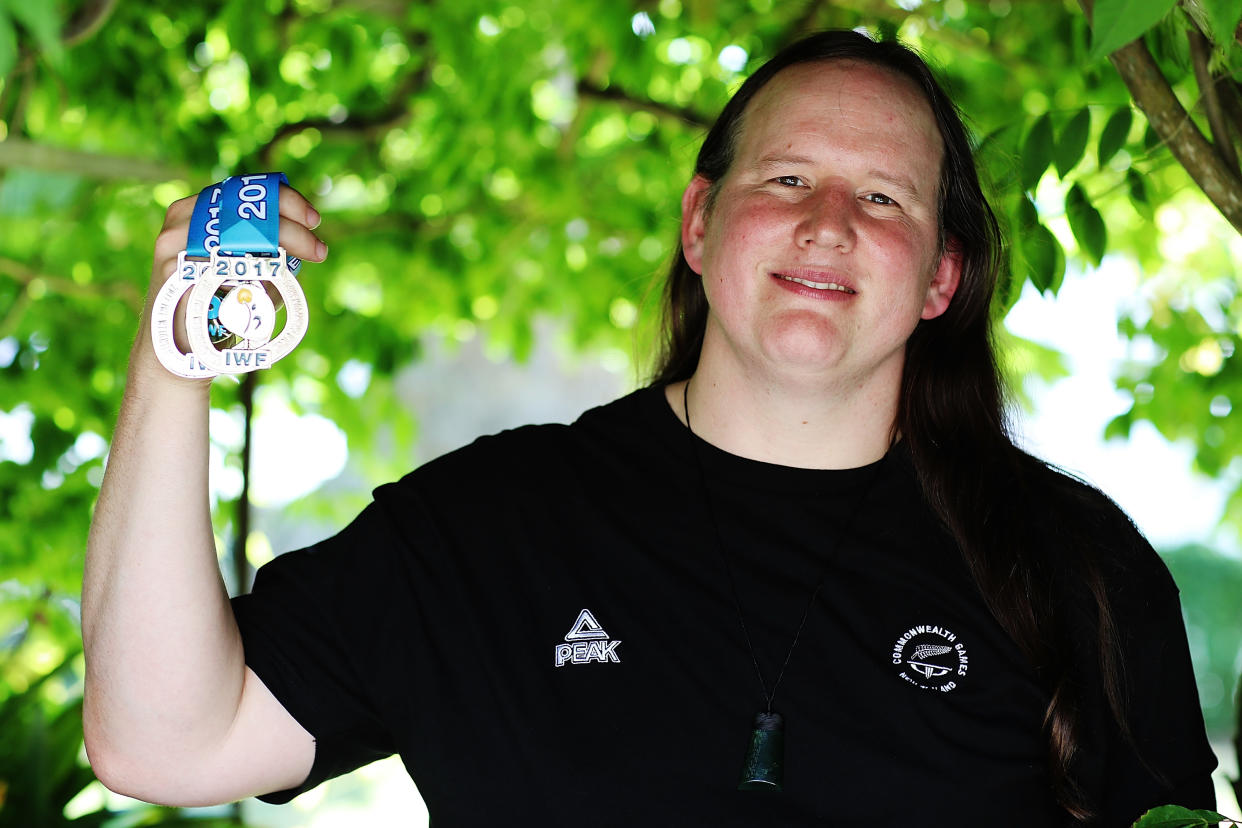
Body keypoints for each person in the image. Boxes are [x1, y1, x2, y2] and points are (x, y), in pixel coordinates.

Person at [82, 29, 1218, 826]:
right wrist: (176, 348)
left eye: (883, 198)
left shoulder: (1077, 568)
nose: (827, 225)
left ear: (939, 278)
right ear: (699, 222)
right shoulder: (491, 528)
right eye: (786, 178)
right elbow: (161, 741)